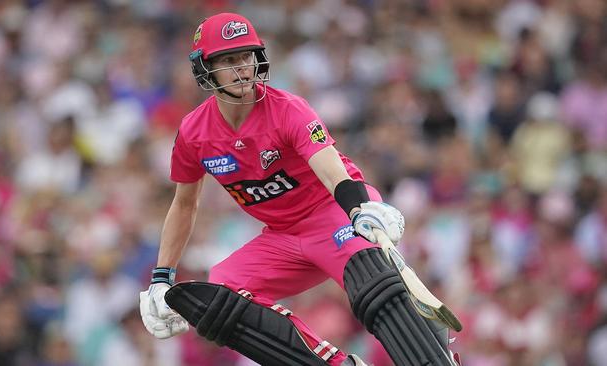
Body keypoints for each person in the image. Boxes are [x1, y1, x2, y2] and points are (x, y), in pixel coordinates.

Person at [139, 13, 460, 366]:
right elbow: (185, 205)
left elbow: (332, 171)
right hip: (282, 237)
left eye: (246, 56)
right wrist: (161, 277)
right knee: (224, 292)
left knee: (371, 284)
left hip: (336, 214)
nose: (243, 68)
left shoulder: (288, 109)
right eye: (229, 60)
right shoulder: (193, 132)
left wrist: (359, 209)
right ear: (206, 69)